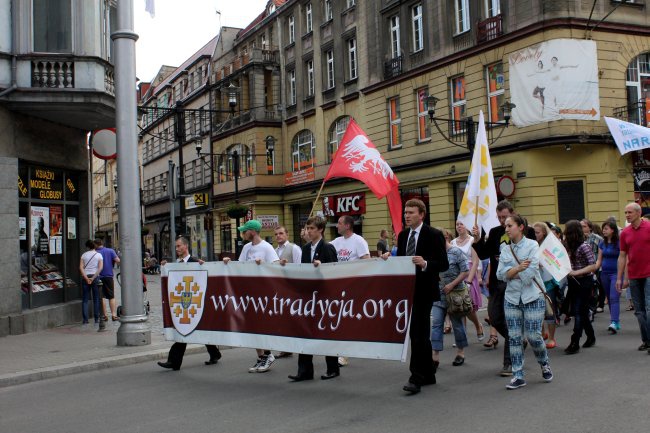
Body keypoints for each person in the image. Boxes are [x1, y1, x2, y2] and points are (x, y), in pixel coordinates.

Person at [382, 199, 448, 395]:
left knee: (417, 335)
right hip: (407, 291)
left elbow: (443, 264)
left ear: (422, 214)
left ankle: (415, 377)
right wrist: (388, 259)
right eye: (405, 213)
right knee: (420, 334)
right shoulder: (403, 236)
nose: (407, 216)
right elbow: (402, 262)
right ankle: (428, 373)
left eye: (411, 212)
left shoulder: (433, 234)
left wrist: (426, 263)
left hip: (425, 291)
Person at [472, 200, 536, 376]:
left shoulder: (527, 231)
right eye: (499, 217)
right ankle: (516, 340)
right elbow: (484, 253)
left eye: (505, 217)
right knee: (495, 317)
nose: (502, 221)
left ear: (513, 214)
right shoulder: (495, 232)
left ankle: (509, 362)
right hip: (497, 283)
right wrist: (477, 240)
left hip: (516, 283)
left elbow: (533, 255)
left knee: (511, 321)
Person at [497, 214, 553, 390]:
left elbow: (529, 276)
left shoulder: (532, 245)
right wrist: (516, 269)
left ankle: (544, 363)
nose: (506, 229)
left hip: (532, 297)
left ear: (521, 227)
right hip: (511, 299)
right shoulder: (505, 249)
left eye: (509, 225)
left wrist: (510, 272)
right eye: (505, 226)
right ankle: (518, 375)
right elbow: (500, 275)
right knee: (514, 337)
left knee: (534, 336)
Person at [288, 216, 340, 382]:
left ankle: (332, 368)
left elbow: (335, 273)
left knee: (326, 333)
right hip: (308, 298)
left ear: (320, 230)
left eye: (311, 228)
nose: (308, 231)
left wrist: (322, 267)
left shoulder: (328, 248)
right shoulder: (305, 249)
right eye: (307, 228)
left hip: (325, 297)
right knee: (304, 332)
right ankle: (304, 370)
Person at [224, 220, 280, 372]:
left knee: (262, 324)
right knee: (252, 325)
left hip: (263, 293)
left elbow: (276, 266)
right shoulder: (247, 247)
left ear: (253, 231)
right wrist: (229, 262)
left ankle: (268, 354)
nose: (243, 234)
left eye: (245, 231)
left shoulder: (267, 248)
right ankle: (261, 357)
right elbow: (240, 265)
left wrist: (263, 264)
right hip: (248, 293)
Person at [158, 236, 221, 371]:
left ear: (186, 246)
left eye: (179, 246)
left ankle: (213, 353)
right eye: (176, 246)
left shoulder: (196, 262)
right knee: (185, 330)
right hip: (184, 303)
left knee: (197, 328)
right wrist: (164, 267)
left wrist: (204, 266)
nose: (177, 249)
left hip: (196, 301)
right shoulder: (175, 264)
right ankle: (175, 361)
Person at [330, 215, 370, 366]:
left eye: (339, 223)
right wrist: (308, 236)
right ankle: (343, 349)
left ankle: (344, 353)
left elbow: (367, 260)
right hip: (339, 286)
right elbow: (323, 247)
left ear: (347, 226)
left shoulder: (358, 240)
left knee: (346, 318)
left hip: (354, 286)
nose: (336, 226)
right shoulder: (336, 242)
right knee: (341, 318)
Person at [431, 228, 469, 369]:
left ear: (444, 238)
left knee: (457, 324)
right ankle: (435, 356)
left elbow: (465, 271)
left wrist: (452, 285)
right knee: (436, 323)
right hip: (439, 294)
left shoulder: (456, 252)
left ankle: (460, 352)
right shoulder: (434, 253)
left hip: (455, 294)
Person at [616, 203, 650, 353]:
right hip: (634, 275)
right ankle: (646, 340)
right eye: (625, 213)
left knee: (649, 308)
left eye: (629, 212)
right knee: (639, 310)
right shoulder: (625, 233)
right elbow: (622, 256)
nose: (627, 215)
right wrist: (620, 278)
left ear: (638, 212)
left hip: (649, 274)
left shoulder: (649, 227)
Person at [563, 220, 598, 355]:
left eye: (567, 230)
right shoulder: (567, 246)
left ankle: (575, 341)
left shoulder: (584, 246)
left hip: (584, 282)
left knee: (578, 311)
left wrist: (576, 272)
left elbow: (592, 265)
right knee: (581, 312)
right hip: (573, 282)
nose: (565, 232)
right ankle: (591, 336)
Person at [451, 220, 484, 341]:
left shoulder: (472, 240)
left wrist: (469, 281)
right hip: (456, 274)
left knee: (468, 307)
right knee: (459, 307)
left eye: (461, 224)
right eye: (457, 224)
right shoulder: (453, 242)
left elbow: (475, 261)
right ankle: (461, 336)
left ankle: (477, 325)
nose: (459, 226)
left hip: (469, 274)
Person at [274, 225, 301, 359]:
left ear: (287, 235)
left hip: (292, 288)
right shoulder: (274, 250)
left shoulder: (294, 248)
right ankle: (285, 348)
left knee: (293, 319)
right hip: (279, 289)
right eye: (276, 234)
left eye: (281, 233)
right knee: (282, 319)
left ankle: (297, 345)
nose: (278, 236)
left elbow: (299, 267)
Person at [595, 219, 623, 334]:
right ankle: (615, 321)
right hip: (604, 273)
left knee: (613, 297)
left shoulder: (619, 243)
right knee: (610, 298)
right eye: (603, 229)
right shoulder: (602, 243)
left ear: (612, 230)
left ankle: (614, 322)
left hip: (616, 273)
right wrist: (593, 270)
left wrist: (623, 277)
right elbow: (599, 260)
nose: (604, 231)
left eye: (606, 229)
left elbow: (624, 258)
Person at [533, 222, 558, 349]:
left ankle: (552, 337)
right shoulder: (531, 244)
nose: (535, 234)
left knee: (549, 310)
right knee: (537, 310)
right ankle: (543, 333)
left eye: (537, 232)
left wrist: (545, 264)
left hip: (548, 282)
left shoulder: (550, 245)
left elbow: (555, 261)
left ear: (543, 232)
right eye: (534, 232)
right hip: (535, 282)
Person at [94, 238, 120, 321]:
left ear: (96, 244)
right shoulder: (110, 251)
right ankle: (113, 315)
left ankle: (105, 315)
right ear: (102, 243)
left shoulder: (95, 252)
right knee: (111, 296)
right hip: (109, 276)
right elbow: (118, 260)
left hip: (98, 276)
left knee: (102, 297)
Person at [581, 218, 604, 313]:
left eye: (584, 226)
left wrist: (598, 265)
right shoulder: (579, 238)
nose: (582, 228)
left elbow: (601, 252)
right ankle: (589, 306)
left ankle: (600, 304)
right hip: (584, 266)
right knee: (588, 287)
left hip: (596, 264)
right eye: (580, 226)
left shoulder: (597, 238)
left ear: (590, 228)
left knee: (599, 285)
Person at [79, 240, 103, 325]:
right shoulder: (98, 255)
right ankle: (96, 318)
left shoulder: (84, 255)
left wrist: (86, 278)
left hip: (85, 277)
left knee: (85, 299)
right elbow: (100, 268)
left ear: (87, 247)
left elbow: (81, 268)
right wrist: (93, 278)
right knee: (96, 299)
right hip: (95, 277)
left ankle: (85, 320)